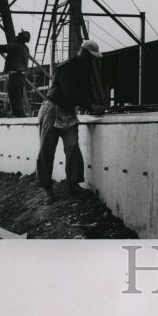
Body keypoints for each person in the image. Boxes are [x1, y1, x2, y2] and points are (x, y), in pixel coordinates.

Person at [36, 40, 107, 204]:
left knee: (73, 146)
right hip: (53, 110)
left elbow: (85, 91)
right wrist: (90, 105)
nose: (92, 60)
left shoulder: (84, 68)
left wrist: (92, 105)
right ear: (83, 52)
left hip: (68, 111)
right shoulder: (66, 67)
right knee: (47, 150)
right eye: (91, 56)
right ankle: (47, 189)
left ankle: (73, 184)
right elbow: (70, 91)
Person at [0, 30, 31, 117]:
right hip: (21, 77)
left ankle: (18, 117)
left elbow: (2, 48)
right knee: (18, 98)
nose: (16, 36)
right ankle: (20, 116)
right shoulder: (25, 48)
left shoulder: (16, 46)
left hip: (15, 76)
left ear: (20, 37)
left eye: (18, 35)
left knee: (14, 98)